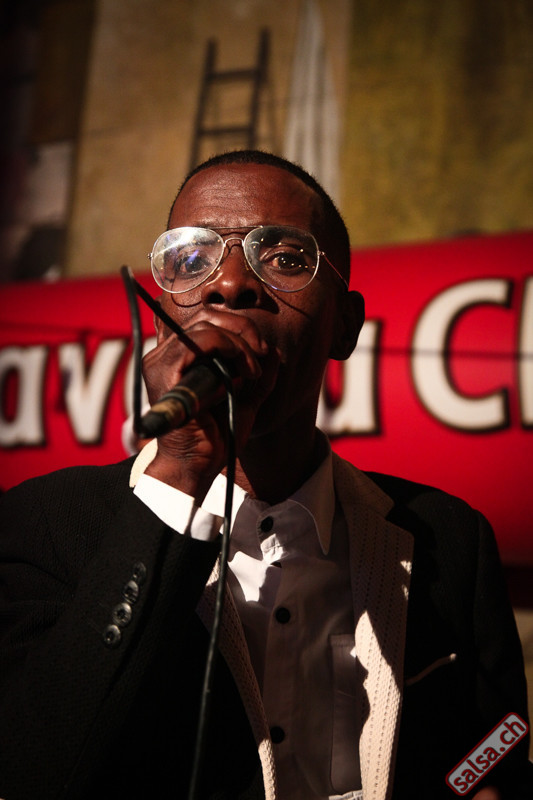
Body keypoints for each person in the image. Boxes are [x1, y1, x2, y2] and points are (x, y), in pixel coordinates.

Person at [0, 150, 531, 800]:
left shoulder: (449, 538)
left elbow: (501, 740)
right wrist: (180, 469)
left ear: (344, 325)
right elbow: (31, 774)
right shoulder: (45, 523)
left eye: (282, 258)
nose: (229, 284)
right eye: (191, 259)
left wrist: (469, 784)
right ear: (162, 312)